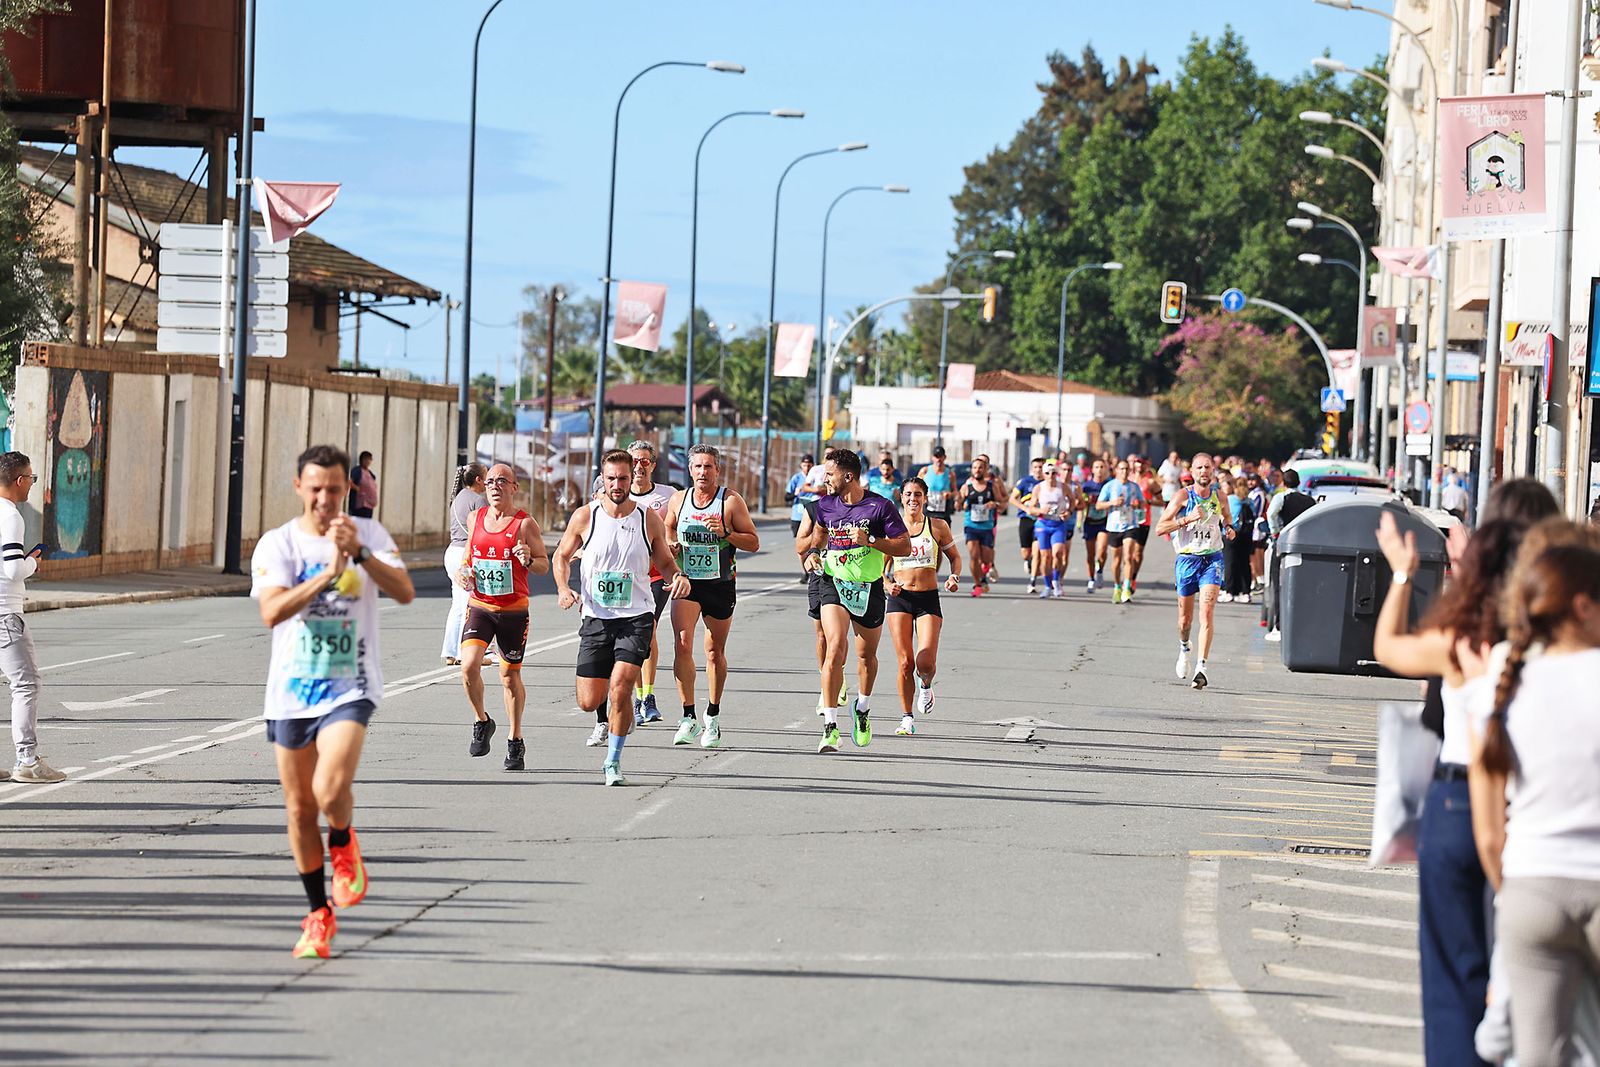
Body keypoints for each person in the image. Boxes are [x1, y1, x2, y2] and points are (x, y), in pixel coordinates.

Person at [1373, 478, 1558, 1067]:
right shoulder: (1555, 636)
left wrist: (1403, 574)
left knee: (1454, 982)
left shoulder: (1461, 635)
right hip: (1534, 809)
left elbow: (1389, 648)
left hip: (1454, 809)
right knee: (1536, 982)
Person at [250, 443, 415, 959]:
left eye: (334, 489)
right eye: (315, 488)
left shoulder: (369, 534)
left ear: (349, 489)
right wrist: (327, 572)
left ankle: (342, 839)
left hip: (351, 684)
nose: (325, 498)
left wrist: (360, 555)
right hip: (292, 690)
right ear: (299, 487)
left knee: (329, 788)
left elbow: (405, 591)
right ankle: (318, 914)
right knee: (299, 810)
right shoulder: (278, 544)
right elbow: (272, 612)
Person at [1463, 520, 1600, 1067]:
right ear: (1585, 607)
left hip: (1531, 891)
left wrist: (1513, 889)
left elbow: (1491, 833)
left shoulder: (1504, 679)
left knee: (1539, 1056)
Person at [551, 450, 692, 786]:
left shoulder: (647, 519)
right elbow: (561, 555)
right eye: (611, 478)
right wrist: (562, 588)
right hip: (596, 617)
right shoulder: (586, 517)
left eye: (623, 478)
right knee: (589, 701)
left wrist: (678, 576)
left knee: (620, 687)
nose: (617, 484)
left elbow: (664, 561)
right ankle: (620, 712)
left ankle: (612, 761)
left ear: (633, 478)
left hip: (636, 616)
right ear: (603, 478)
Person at [802, 449, 911, 753]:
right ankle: (830, 726)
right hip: (833, 582)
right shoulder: (825, 505)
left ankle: (862, 708)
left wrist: (871, 541)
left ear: (847, 476)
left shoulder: (880, 507)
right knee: (834, 646)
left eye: (830, 474)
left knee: (866, 656)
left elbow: (904, 547)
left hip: (869, 586)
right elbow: (819, 536)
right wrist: (812, 555)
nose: (825, 479)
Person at [665, 444, 760, 748]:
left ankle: (713, 715)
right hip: (688, 583)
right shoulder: (679, 500)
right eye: (698, 467)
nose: (703, 472)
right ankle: (688, 716)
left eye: (708, 467)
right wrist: (672, 544)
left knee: (713, 652)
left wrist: (726, 534)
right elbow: (667, 529)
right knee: (682, 643)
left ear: (717, 470)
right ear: (690, 470)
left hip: (720, 584)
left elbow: (753, 542)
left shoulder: (730, 502)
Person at [456, 462, 549, 770]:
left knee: (509, 676)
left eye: (502, 481)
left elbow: (542, 565)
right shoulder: (475, 518)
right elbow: (469, 557)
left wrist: (528, 559)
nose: (495, 486)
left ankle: (515, 740)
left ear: (514, 487)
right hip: (480, 606)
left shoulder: (524, 524)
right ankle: (482, 720)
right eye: (491, 481)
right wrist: (463, 572)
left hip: (513, 611)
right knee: (468, 666)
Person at [0, 452, 61, 783]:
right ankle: (27, 761)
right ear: (19, 480)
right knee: (26, 683)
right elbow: (12, 569)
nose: (32, 485)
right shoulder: (10, 517)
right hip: (5, 614)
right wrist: (33, 562)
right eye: (32, 479)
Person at [884, 478, 961, 735]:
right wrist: (886, 583)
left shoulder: (937, 526)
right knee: (905, 661)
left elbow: (955, 558)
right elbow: (879, 568)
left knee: (924, 660)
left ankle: (926, 685)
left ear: (925, 498)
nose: (912, 499)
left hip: (928, 598)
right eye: (908, 494)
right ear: (901, 497)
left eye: (917, 494)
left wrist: (953, 577)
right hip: (900, 598)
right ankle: (906, 718)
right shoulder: (891, 528)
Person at [1155, 452, 1234, 690]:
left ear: (1213, 471)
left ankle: (1202, 667)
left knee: (1207, 612)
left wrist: (1229, 528)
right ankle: (1184, 647)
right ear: (1192, 471)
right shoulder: (1182, 495)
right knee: (1184, 621)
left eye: (1207, 467)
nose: (1203, 471)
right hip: (1187, 560)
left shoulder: (1220, 496)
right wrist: (1186, 519)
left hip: (1212, 559)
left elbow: (1227, 518)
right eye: (1199, 467)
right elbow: (1160, 527)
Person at [624, 440, 677, 727]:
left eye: (645, 461)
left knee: (649, 629)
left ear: (653, 465)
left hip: (656, 574)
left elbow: (679, 526)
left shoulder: (668, 496)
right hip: (627, 576)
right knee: (633, 635)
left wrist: (675, 542)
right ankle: (638, 696)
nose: (639, 466)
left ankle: (649, 697)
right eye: (634, 460)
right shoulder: (616, 496)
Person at [441, 464, 487, 666]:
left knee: (458, 605)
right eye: (487, 477)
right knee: (469, 604)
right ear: (479, 480)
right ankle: (464, 652)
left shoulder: (458, 497)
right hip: (465, 554)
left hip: (451, 552)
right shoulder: (478, 500)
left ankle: (450, 651)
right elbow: (484, 530)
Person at [1264, 469, 1317, 640]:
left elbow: (1271, 514)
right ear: (1298, 482)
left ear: (1284, 483)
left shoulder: (1281, 497)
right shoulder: (1309, 501)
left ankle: (1279, 625)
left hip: (1283, 544)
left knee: (1278, 584)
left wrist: (1275, 532)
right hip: (1302, 545)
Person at [1097, 458, 1146, 604]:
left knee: (1128, 557)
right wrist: (1112, 502)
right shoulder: (1109, 486)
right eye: (1121, 469)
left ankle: (1127, 587)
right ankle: (1117, 586)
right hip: (1114, 526)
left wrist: (1137, 504)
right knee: (1116, 560)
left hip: (1131, 524)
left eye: (1126, 469)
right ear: (1116, 471)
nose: (1124, 472)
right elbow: (1099, 505)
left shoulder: (1134, 487)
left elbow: (1142, 503)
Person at [958, 455, 1006, 595]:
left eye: (980, 468)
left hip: (987, 527)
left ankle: (986, 570)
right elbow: (958, 504)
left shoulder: (992, 486)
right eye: (974, 468)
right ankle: (977, 584)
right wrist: (962, 503)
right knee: (974, 556)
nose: (977, 470)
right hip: (971, 525)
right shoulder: (967, 486)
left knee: (986, 559)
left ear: (985, 470)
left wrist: (995, 504)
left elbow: (1003, 503)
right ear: (971, 470)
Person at [1030, 460, 1073, 598]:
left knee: (1058, 554)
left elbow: (1072, 500)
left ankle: (1056, 581)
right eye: (1047, 473)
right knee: (1045, 557)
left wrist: (1069, 512)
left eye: (1054, 473)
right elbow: (1031, 508)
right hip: (1043, 524)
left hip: (1058, 525)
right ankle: (1048, 586)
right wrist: (1041, 510)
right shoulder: (1039, 488)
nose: (1051, 475)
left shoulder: (1063, 487)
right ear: (1043, 474)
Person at [1128, 454, 1162, 594]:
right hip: (1127, 520)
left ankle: (1133, 578)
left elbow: (1162, 501)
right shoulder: (1127, 479)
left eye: (1142, 463)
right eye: (1137, 462)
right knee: (1127, 551)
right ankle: (1127, 578)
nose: (1139, 465)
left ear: (1146, 465)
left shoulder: (1150, 482)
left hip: (1143, 520)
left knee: (1137, 552)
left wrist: (1148, 502)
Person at [1011, 457, 1044, 594]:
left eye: (1041, 467)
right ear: (1032, 469)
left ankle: (1032, 581)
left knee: (1037, 552)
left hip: (1041, 520)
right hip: (1026, 519)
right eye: (1036, 467)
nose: (1038, 470)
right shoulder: (1025, 482)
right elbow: (1012, 499)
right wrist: (1025, 509)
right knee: (1026, 552)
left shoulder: (1047, 483)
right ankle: (1028, 561)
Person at [1220, 476, 1254, 604]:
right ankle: (1245, 592)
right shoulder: (1250, 501)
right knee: (1244, 563)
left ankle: (1229, 591)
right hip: (1246, 535)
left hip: (1230, 533)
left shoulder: (1229, 500)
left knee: (1230, 563)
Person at [1079, 458, 1111, 593]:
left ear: (1106, 469)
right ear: (1092, 469)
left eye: (1101, 467)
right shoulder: (1086, 486)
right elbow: (1081, 504)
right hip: (1090, 521)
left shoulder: (1109, 485)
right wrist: (1079, 521)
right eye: (1096, 467)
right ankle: (1091, 578)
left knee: (1102, 550)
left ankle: (1100, 570)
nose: (1099, 470)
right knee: (1090, 554)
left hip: (1104, 522)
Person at [916, 446, 955, 524]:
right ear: (932, 458)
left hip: (943, 512)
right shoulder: (925, 471)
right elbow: (916, 488)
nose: (938, 459)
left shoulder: (950, 474)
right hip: (927, 511)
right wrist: (923, 495)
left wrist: (949, 494)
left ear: (944, 457)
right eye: (936, 456)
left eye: (940, 456)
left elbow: (955, 492)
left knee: (943, 535)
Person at [787, 453, 820, 537]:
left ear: (813, 465)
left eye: (809, 465)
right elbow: (787, 497)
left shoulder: (817, 478)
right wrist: (795, 494)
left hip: (812, 514)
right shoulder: (796, 478)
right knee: (799, 540)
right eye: (804, 465)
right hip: (798, 515)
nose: (807, 468)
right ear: (801, 465)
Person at [349, 451, 378, 518]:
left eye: (370, 459)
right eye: (366, 459)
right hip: (360, 506)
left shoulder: (370, 473)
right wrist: (358, 489)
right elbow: (349, 482)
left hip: (369, 505)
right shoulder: (357, 470)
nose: (368, 461)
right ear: (362, 460)